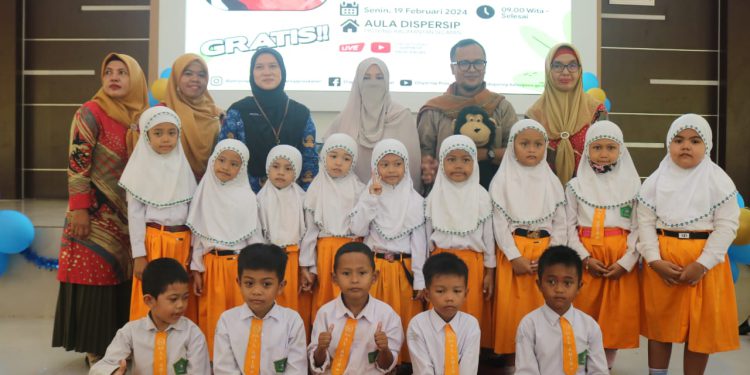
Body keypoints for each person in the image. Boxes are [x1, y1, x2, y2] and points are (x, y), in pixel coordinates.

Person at [53, 53, 148, 365]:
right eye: (109, 72)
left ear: (134, 78)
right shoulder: (90, 112)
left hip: (130, 214)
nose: (114, 77)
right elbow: (77, 163)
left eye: (122, 72)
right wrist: (78, 208)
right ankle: (96, 350)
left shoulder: (143, 116)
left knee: (122, 280)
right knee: (96, 279)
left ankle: (119, 347)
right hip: (93, 215)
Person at [637, 114, 740, 375]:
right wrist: (654, 261)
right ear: (668, 144)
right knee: (661, 327)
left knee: (699, 329)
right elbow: (645, 223)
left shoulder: (719, 181)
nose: (686, 146)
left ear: (707, 146)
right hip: (663, 262)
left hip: (703, 266)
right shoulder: (654, 181)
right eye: (678, 140)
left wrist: (702, 264)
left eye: (695, 141)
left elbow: (727, 226)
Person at [490, 119, 567, 368]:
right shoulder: (501, 181)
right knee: (514, 315)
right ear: (513, 146)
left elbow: (560, 222)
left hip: (545, 256)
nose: (531, 150)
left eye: (538, 144)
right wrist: (514, 256)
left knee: (544, 313)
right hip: (515, 256)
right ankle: (515, 366)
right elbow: (499, 224)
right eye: (524, 144)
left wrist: (551, 258)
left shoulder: (552, 182)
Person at [565, 120, 641, 369]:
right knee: (583, 311)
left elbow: (639, 227)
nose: (604, 154)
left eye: (611, 147)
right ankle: (580, 362)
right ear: (587, 150)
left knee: (614, 315)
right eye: (597, 147)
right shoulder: (576, 186)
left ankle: (604, 365)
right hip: (586, 259)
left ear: (621, 150)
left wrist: (627, 261)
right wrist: (583, 257)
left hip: (619, 261)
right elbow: (568, 225)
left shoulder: (634, 186)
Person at [349, 138, 427, 362]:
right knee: (373, 318)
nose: (391, 170)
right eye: (384, 164)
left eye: (397, 164)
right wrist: (372, 199)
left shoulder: (415, 201)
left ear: (406, 166)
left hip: (404, 271)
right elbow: (357, 228)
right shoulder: (368, 196)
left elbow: (419, 244)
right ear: (375, 168)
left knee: (404, 317)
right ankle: (371, 361)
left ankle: (401, 362)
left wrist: (419, 280)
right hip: (375, 271)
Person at [119, 106, 198, 322]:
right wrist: (139, 256)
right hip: (153, 243)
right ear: (146, 135)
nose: (166, 139)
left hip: (182, 244)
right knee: (154, 295)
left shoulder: (183, 167)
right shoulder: (139, 170)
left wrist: (192, 249)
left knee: (177, 296)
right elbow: (135, 216)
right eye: (158, 133)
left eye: (172, 133)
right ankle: (147, 347)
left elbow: (193, 214)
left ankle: (177, 349)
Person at [187, 139, 265, 356]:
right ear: (213, 160)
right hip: (212, 266)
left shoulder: (248, 198)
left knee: (241, 317)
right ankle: (214, 363)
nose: (225, 167)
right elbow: (198, 237)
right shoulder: (204, 194)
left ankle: (243, 361)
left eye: (234, 164)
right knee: (213, 317)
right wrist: (197, 268)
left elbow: (254, 237)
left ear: (242, 169)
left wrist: (257, 271)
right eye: (221, 160)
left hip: (241, 269)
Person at [418, 38, 518, 192]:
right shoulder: (434, 110)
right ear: (452, 68)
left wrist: (487, 154)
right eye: (464, 63)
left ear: (485, 67)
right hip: (444, 197)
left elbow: (516, 153)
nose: (472, 69)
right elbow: (424, 159)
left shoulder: (501, 107)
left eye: (478, 63)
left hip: (492, 197)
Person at [424, 134, 496, 348]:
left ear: (474, 163)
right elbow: (426, 239)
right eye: (451, 159)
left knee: (469, 313)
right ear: (442, 162)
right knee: (439, 315)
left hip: (472, 266)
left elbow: (489, 237)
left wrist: (490, 272)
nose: (458, 165)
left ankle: (468, 360)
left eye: (465, 160)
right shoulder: (433, 197)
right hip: (438, 264)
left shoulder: (482, 196)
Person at [218, 47, 318, 192]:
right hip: (246, 199)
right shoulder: (238, 111)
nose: (266, 72)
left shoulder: (301, 113)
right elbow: (225, 158)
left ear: (282, 71)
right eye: (259, 67)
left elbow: (310, 163)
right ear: (252, 74)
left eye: (273, 66)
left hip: (290, 201)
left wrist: (304, 200)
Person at [89, 258, 210, 375]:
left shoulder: (193, 334)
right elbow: (103, 366)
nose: (181, 305)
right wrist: (114, 372)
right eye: (173, 299)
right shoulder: (131, 331)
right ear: (149, 300)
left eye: (185, 297)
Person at [325, 57, 422, 191]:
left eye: (379, 78)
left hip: (394, 201)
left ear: (387, 82)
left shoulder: (401, 117)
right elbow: (328, 165)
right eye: (366, 78)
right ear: (358, 82)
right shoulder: (343, 120)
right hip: (350, 201)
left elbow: (413, 168)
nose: (373, 83)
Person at [308, 243, 404, 374]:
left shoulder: (387, 315)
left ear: (374, 277)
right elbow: (317, 365)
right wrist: (320, 348)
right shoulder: (325, 313)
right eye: (346, 273)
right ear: (335, 278)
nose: (354, 280)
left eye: (362, 273)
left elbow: (387, 366)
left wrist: (385, 349)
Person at [300, 133, 366, 321]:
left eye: (346, 158)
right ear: (324, 157)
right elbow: (310, 231)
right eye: (333, 156)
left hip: (353, 251)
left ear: (353, 163)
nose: (338, 162)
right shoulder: (316, 189)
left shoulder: (359, 189)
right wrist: (308, 265)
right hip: (325, 254)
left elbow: (365, 227)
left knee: (353, 299)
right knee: (326, 300)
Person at [213, 244, 308, 374]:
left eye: (266, 284)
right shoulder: (227, 320)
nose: (257, 291)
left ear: (281, 286)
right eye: (249, 283)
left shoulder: (292, 321)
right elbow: (224, 369)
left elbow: (296, 370)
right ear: (239, 283)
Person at [515, 246, 608, 375]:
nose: (559, 289)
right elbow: (525, 371)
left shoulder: (590, 326)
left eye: (567, 283)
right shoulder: (529, 325)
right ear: (539, 285)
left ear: (579, 286)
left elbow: (599, 371)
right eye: (551, 282)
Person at [526, 43, 607, 186]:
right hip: (545, 193)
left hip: (589, 192)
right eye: (557, 66)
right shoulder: (534, 116)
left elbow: (607, 156)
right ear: (548, 70)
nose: (565, 72)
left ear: (580, 70)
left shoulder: (595, 110)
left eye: (572, 65)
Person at [257, 144, 313, 334]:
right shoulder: (260, 199)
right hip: (269, 260)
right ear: (268, 168)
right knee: (270, 304)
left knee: (294, 306)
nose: (281, 173)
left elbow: (307, 235)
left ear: (296, 172)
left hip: (294, 260)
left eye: (288, 168)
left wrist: (305, 266)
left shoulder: (303, 199)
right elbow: (258, 234)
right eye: (276, 167)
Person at [407, 252, 481, 375]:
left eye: (457, 291)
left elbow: (469, 368)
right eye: (440, 291)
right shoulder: (417, 325)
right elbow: (423, 370)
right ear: (427, 294)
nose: (449, 298)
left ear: (465, 294)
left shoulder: (471, 325)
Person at [164, 53, 223, 181]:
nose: (195, 79)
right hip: (170, 187)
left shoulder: (217, 114)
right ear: (176, 78)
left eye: (201, 75)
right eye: (188, 73)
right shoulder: (162, 113)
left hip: (208, 188)